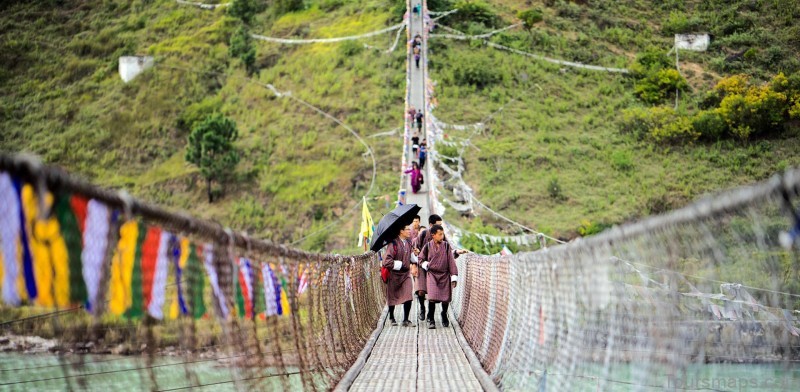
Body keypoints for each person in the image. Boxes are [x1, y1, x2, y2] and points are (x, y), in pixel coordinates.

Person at [418, 224, 458, 329]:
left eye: (443, 234)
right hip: (432, 275)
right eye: (440, 234)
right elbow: (420, 259)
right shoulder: (427, 246)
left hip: (444, 275)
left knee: (446, 299)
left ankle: (444, 314)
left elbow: (451, 261)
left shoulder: (446, 246)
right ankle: (431, 318)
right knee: (432, 298)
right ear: (433, 235)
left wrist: (454, 276)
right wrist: (425, 264)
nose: (442, 236)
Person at [382, 225, 417, 327]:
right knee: (392, 296)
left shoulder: (409, 243)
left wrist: (415, 255)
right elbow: (386, 261)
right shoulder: (393, 244)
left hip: (405, 274)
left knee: (408, 294)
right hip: (394, 275)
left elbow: (412, 258)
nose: (409, 231)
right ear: (401, 231)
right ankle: (392, 317)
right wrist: (400, 264)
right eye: (407, 229)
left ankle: (406, 319)